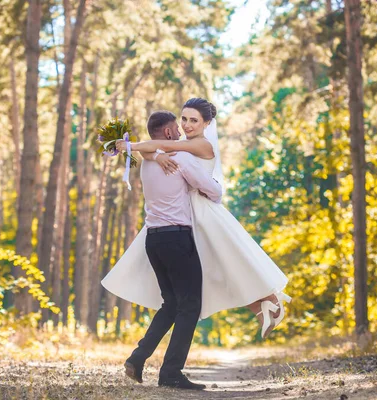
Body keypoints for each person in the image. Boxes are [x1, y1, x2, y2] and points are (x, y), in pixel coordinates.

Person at [102, 98, 291, 340]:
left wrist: (134, 146)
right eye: (184, 119)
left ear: (206, 123)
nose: (187, 125)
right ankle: (260, 307)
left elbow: (158, 144)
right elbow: (157, 149)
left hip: (203, 210)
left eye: (194, 120)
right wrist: (156, 157)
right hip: (186, 212)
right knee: (213, 270)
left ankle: (270, 299)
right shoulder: (181, 144)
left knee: (226, 262)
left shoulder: (203, 145)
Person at [120, 110, 222, 390]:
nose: (180, 132)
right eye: (176, 128)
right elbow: (214, 192)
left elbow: (147, 152)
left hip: (153, 239)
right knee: (190, 305)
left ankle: (137, 358)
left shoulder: (147, 161)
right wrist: (209, 187)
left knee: (172, 304)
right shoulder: (180, 159)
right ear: (166, 133)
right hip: (177, 238)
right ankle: (171, 373)